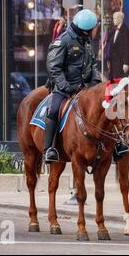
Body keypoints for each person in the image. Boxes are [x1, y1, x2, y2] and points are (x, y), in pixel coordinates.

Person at [44, 9, 102, 163]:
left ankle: (112, 147)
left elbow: (93, 64)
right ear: (84, 30)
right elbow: (53, 68)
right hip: (64, 89)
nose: (92, 32)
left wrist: (96, 82)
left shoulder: (86, 42)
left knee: (104, 108)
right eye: (91, 30)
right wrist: (67, 87)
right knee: (54, 111)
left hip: (84, 89)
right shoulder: (62, 41)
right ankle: (49, 149)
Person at [104, 11, 129, 79]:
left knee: (122, 81)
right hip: (112, 61)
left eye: (115, 18)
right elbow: (109, 44)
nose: (113, 20)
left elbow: (127, 47)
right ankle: (114, 89)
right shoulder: (112, 30)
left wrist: (126, 63)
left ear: (121, 19)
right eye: (113, 18)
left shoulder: (126, 30)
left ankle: (128, 89)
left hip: (121, 61)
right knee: (113, 81)